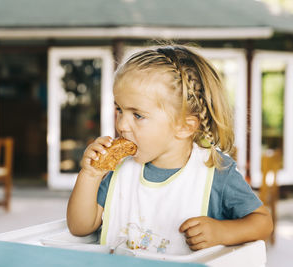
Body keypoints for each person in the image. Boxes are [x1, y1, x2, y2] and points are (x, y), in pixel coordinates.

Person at [66, 45, 273, 255]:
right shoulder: (120, 168)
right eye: (119, 109)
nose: (122, 125)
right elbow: (80, 227)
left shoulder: (216, 171)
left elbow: (263, 223)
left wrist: (222, 232)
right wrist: (90, 175)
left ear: (184, 126)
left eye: (137, 115)